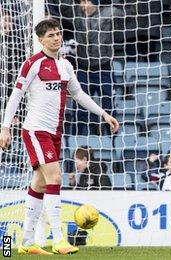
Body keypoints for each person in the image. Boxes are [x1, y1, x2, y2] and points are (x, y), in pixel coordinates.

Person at [0, 19, 119, 255]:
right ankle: (58, 239)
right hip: (36, 130)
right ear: (40, 39)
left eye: (58, 34)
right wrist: (4, 127)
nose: (56, 38)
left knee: (40, 184)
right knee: (55, 177)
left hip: (55, 132)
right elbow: (15, 96)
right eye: (51, 35)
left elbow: (79, 94)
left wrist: (104, 113)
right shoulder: (32, 64)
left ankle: (26, 242)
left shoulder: (66, 66)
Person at [72, 0, 126, 135]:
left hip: (104, 69)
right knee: (80, 110)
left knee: (109, 106)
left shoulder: (110, 12)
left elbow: (127, 13)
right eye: (81, 2)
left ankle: (113, 140)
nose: (84, 5)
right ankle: (78, 139)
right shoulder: (76, 14)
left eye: (87, 2)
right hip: (83, 69)